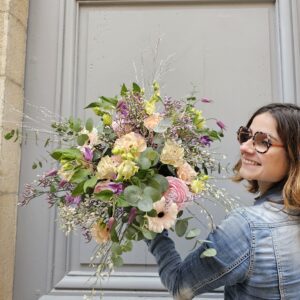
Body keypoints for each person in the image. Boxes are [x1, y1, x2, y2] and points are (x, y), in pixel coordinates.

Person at [146, 103, 300, 299]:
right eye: (246, 136)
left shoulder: (248, 228)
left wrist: (151, 222)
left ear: (294, 153)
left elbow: (179, 285)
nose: (244, 147)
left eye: (263, 141)